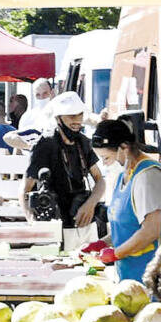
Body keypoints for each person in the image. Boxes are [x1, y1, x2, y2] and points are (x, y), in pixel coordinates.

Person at [87, 119, 161, 282]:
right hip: (131, 273)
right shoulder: (123, 177)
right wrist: (103, 244)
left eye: (106, 158)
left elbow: (150, 231)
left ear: (124, 148)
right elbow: (127, 227)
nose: (104, 165)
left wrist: (116, 254)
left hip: (157, 275)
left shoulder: (149, 177)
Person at [19, 92, 106, 234]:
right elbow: (25, 188)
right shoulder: (45, 144)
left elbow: (100, 180)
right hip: (52, 219)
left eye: (80, 115)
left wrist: (90, 204)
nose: (77, 121)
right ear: (58, 118)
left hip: (79, 218)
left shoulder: (83, 143)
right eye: (72, 116)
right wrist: (33, 223)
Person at [4, 78, 55, 151]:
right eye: (38, 95)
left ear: (52, 93)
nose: (41, 98)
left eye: (45, 93)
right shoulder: (27, 117)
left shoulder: (61, 114)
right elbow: (19, 143)